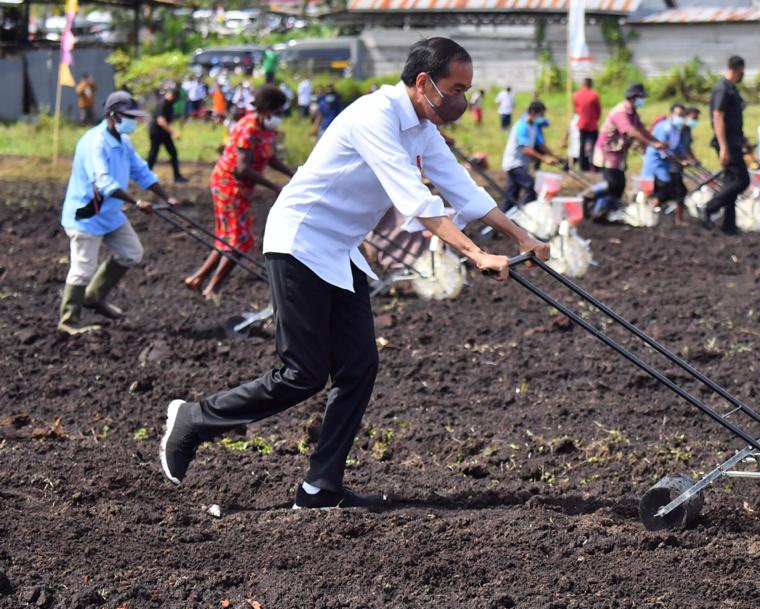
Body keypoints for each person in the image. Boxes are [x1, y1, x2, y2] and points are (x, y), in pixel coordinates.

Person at [159, 37, 549, 510]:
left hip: (340, 249)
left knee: (359, 366)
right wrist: (474, 252)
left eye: (467, 89)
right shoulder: (375, 116)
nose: (462, 99)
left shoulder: (421, 128)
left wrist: (520, 237)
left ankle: (320, 486)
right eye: (456, 87)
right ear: (424, 82)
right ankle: (197, 419)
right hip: (299, 239)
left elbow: (463, 190)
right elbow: (417, 202)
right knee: (302, 373)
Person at [58, 92, 178, 335]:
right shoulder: (95, 142)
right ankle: (68, 321)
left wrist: (167, 196)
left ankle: (94, 296)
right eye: (129, 116)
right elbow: (103, 182)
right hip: (87, 215)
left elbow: (140, 170)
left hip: (110, 214)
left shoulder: (122, 141)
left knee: (131, 252)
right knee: (83, 267)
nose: (133, 121)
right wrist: (136, 202)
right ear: (113, 116)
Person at [185, 86, 295, 299]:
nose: (281, 117)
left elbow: (269, 157)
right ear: (267, 110)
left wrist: (292, 174)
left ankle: (197, 279)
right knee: (240, 241)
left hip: (240, 187)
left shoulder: (265, 128)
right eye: (280, 113)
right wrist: (273, 187)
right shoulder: (248, 128)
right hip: (228, 184)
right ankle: (213, 287)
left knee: (228, 237)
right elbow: (241, 168)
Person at [592, 82, 665, 219]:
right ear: (634, 97)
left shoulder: (632, 112)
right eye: (640, 97)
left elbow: (641, 129)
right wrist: (650, 143)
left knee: (620, 183)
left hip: (618, 153)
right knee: (611, 183)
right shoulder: (621, 112)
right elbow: (631, 131)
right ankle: (593, 199)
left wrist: (656, 141)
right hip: (607, 151)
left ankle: (609, 209)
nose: (642, 101)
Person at [699, 55, 749, 235]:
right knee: (742, 180)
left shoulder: (732, 90)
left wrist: (743, 140)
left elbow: (733, 119)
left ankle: (729, 225)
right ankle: (708, 208)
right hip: (727, 142)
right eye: (742, 71)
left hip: (734, 140)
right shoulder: (722, 89)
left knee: (730, 182)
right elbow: (718, 116)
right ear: (737, 69)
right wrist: (724, 146)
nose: (743, 75)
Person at [641, 103, 699, 227]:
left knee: (679, 191)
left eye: (682, 115)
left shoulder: (676, 129)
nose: (681, 118)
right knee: (665, 188)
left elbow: (680, 148)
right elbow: (663, 150)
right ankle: (648, 214)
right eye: (679, 115)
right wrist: (679, 161)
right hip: (657, 163)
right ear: (671, 114)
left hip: (669, 164)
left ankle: (674, 219)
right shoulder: (665, 128)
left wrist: (690, 160)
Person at [500, 100, 558, 211]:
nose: (542, 118)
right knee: (531, 186)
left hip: (521, 164)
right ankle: (526, 212)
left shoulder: (533, 126)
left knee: (511, 196)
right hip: (514, 163)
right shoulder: (522, 126)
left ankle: (503, 220)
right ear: (533, 112)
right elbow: (526, 149)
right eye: (541, 115)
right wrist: (544, 158)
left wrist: (553, 155)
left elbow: (539, 144)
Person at [147, 86, 187, 184]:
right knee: (153, 154)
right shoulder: (163, 104)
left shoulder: (169, 105)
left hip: (164, 133)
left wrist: (179, 119)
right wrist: (172, 132)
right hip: (156, 132)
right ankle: (146, 175)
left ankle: (177, 176)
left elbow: (168, 118)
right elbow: (161, 120)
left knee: (173, 153)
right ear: (171, 95)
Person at [573, 77, 601, 171]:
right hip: (592, 124)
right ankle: (594, 165)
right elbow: (598, 110)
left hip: (582, 124)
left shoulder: (576, 95)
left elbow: (576, 109)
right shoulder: (594, 95)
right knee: (594, 146)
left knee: (582, 145)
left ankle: (582, 166)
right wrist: (595, 119)